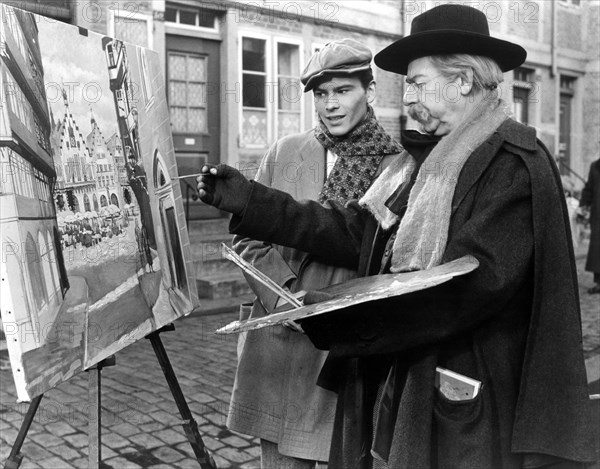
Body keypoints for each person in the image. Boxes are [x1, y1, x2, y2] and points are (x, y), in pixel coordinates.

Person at [198, 5, 597, 468]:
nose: (406, 98)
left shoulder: (510, 162)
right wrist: (251, 202)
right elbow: (359, 231)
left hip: (472, 408)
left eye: (416, 82)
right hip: (414, 388)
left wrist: (336, 316)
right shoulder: (423, 162)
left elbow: (467, 287)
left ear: (463, 81)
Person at [227, 39, 402, 469]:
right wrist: (285, 299)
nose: (331, 105)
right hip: (278, 340)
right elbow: (248, 239)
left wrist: (329, 313)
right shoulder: (286, 151)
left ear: (371, 91)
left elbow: (390, 263)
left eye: (343, 91)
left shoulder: (396, 166)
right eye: (321, 94)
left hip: (338, 354)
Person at [580, 158, 600, 294]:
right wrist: (584, 205)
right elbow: (589, 189)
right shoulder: (595, 166)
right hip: (598, 215)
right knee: (597, 250)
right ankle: (599, 282)